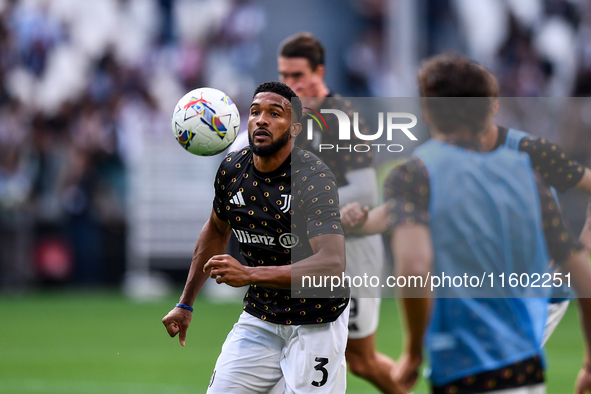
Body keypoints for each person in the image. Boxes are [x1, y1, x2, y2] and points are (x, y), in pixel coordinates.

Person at [341, 55, 591, 394]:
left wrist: (413, 353)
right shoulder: (523, 173)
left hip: (467, 369)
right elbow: (584, 277)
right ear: (490, 106)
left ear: (427, 110)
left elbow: (414, 268)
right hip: (526, 371)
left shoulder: (416, 172)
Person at [162, 81, 351, 393]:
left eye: (275, 113)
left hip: (317, 320)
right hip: (261, 317)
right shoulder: (232, 170)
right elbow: (215, 228)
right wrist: (186, 304)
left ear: (294, 130)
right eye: (255, 111)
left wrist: (249, 273)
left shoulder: (313, 178)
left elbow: (332, 263)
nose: (261, 119)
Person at [277, 32, 400, 394]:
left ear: (320, 71)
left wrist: (303, 205)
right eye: (284, 75)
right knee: (298, 348)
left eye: (298, 75)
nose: (290, 83)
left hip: (354, 249)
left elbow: (366, 190)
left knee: (362, 359)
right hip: (314, 251)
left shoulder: (342, 115)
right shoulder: (289, 119)